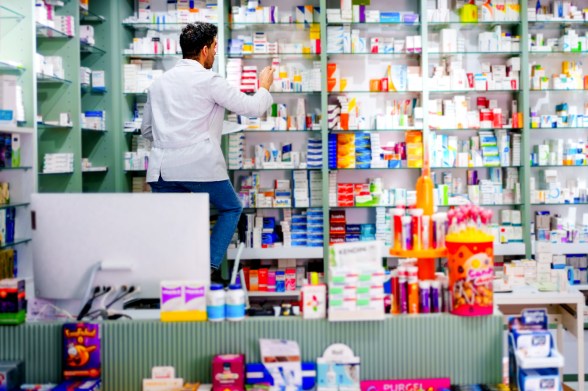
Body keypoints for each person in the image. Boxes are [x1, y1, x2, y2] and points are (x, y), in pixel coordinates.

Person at [141, 22, 274, 280]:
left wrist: (177, 135)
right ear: (204, 50)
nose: (214, 53)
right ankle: (208, 266)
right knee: (231, 208)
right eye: (214, 47)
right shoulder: (209, 80)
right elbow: (253, 108)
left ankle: (173, 278)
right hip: (198, 165)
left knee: (173, 227)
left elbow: (147, 130)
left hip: (161, 170)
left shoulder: (159, 84)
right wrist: (264, 86)